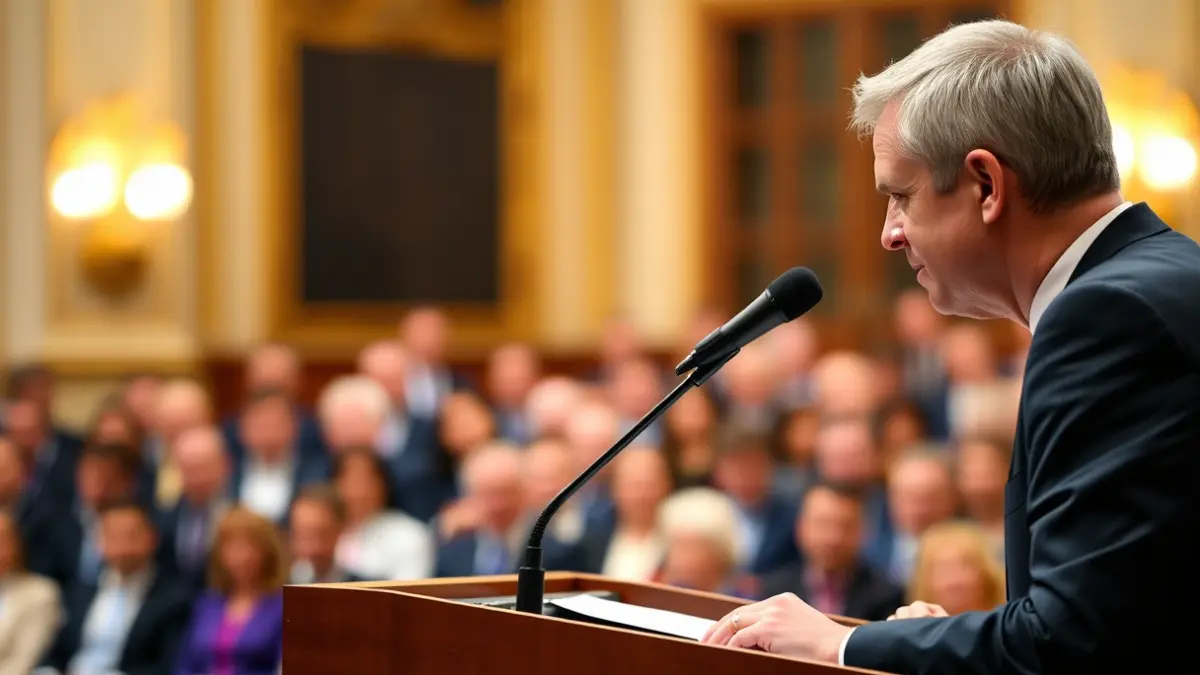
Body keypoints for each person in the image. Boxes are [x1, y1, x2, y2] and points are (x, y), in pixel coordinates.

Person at [701, 19, 1200, 674]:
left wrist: (840, 644)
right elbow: (1137, 607)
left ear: (986, 185)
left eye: (900, 197)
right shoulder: (1167, 273)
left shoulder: (1106, 318)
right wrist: (948, 642)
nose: (889, 234)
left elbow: (1074, 643)